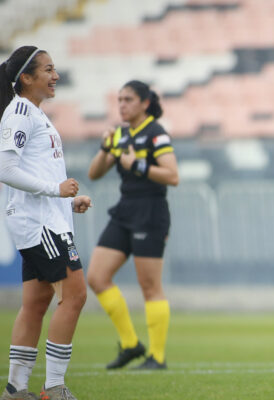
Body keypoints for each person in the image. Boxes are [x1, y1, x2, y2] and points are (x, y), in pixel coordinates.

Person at [0, 46, 93, 400]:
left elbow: (36, 169)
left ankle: (15, 389)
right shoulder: (21, 111)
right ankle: (54, 387)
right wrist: (56, 190)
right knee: (75, 295)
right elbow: (5, 170)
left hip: (43, 218)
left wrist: (68, 198)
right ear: (26, 77)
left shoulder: (34, 113)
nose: (55, 76)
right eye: (48, 69)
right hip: (39, 224)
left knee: (36, 304)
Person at [86, 80, 179, 370]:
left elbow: (172, 175)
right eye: (120, 99)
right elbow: (94, 173)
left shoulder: (156, 133)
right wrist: (105, 149)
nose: (122, 105)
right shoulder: (120, 134)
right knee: (97, 277)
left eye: (128, 99)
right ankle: (130, 344)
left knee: (149, 285)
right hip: (124, 211)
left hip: (150, 212)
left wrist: (136, 165)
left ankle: (158, 357)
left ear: (144, 103)